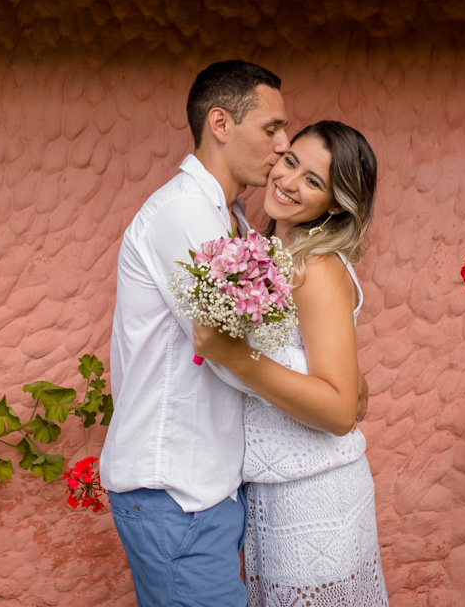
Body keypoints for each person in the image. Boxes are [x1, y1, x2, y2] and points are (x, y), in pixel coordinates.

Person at [99, 60, 290, 606]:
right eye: (271, 128)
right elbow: (227, 345)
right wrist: (323, 395)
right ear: (221, 124)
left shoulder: (229, 217)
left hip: (204, 489)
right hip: (175, 492)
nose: (282, 145)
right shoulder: (184, 212)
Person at [192, 120, 389, 607]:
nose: (289, 181)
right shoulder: (268, 252)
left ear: (337, 203)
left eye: (314, 181)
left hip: (315, 493)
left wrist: (238, 357)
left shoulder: (315, 267)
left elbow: (342, 410)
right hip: (273, 492)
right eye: (291, 161)